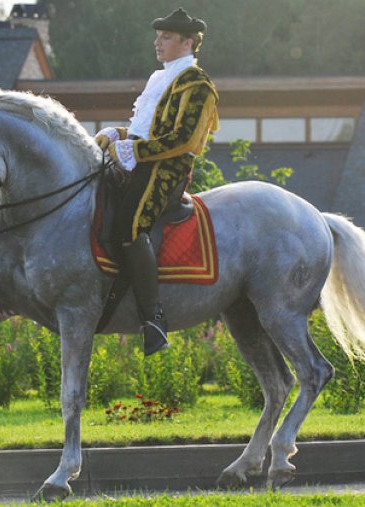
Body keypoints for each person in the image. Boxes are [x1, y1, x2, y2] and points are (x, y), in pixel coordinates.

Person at [95, 7, 219, 356]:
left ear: (188, 42)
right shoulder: (157, 78)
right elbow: (141, 130)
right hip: (141, 161)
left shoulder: (198, 85)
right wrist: (118, 133)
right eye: (158, 36)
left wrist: (134, 152)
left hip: (167, 171)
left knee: (129, 227)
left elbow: (184, 139)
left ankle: (154, 319)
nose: (157, 42)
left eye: (165, 37)